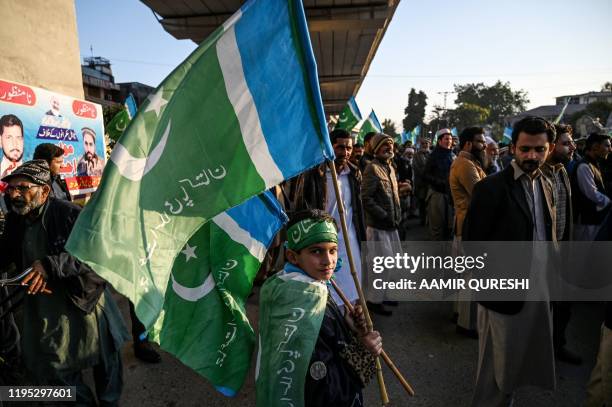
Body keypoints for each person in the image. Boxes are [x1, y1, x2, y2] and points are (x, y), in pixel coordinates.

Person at [0, 160, 128, 405]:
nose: (14, 194)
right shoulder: (16, 220)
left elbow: (98, 254)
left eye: (23, 188)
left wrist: (51, 265)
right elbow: (5, 254)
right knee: (56, 371)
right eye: (11, 189)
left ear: (45, 191)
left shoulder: (68, 213)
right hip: (46, 310)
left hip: (85, 303)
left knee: (106, 365)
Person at [463, 116, 558, 407]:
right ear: (513, 148)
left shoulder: (547, 184)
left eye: (539, 150)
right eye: (525, 149)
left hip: (538, 289)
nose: (532, 156)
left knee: (519, 366)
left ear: (549, 149)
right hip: (502, 295)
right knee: (495, 373)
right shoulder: (490, 188)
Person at [256, 209, 382, 407]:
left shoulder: (309, 285)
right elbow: (325, 391)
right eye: (316, 251)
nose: (328, 261)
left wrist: (350, 329)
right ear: (292, 256)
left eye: (332, 250)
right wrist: (363, 351)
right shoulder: (304, 302)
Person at [292, 128, 367, 307]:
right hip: (323, 238)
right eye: (340, 148)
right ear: (330, 147)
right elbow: (303, 207)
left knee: (352, 281)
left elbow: (357, 209)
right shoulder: (314, 173)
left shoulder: (354, 173)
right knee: (325, 283)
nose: (345, 152)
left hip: (350, 239)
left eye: (348, 148)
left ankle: (350, 322)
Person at [541, 124, 581, 365]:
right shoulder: (537, 175)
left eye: (572, 142)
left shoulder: (562, 172)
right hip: (543, 254)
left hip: (563, 251)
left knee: (564, 304)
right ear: (552, 146)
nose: (573, 147)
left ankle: (558, 345)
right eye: (567, 143)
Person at [449, 127, 486, 337]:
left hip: (468, 225)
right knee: (471, 278)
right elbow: (481, 193)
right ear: (468, 144)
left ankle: (460, 315)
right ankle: (467, 324)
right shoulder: (464, 164)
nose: (484, 145)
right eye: (480, 142)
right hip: (469, 226)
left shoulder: (471, 162)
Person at [361, 133, 402, 316]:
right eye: (384, 146)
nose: (389, 148)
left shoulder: (390, 168)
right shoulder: (372, 168)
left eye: (390, 145)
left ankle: (383, 295)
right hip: (378, 226)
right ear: (376, 149)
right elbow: (366, 198)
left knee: (390, 264)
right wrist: (384, 215)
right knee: (379, 266)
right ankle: (374, 301)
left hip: (391, 226)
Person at [570, 132, 612, 241]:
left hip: (594, 220)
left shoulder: (594, 164)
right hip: (586, 223)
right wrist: (609, 202)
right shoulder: (584, 166)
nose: (610, 149)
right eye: (607, 145)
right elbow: (591, 193)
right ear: (595, 147)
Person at [424, 128, 455, 241]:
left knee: (450, 227)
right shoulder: (433, 156)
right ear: (440, 141)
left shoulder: (452, 155)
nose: (449, 141)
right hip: (437, 195)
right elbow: (426, 175)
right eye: (446, 139)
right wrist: (440, 182)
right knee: (437, 227)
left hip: (450, 195)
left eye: (450, 139)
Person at [413, 137, 431, 226]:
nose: (424, 145)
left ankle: (430, 220)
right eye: (423, 144)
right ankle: (422, 219)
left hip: (430, 184)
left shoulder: (431, 154)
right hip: (421, 183)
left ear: (429, 145)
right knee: (422, 202)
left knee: (430, 203)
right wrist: (426, 174)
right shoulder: (416, 155)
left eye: (426, 144)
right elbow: (416, 168)